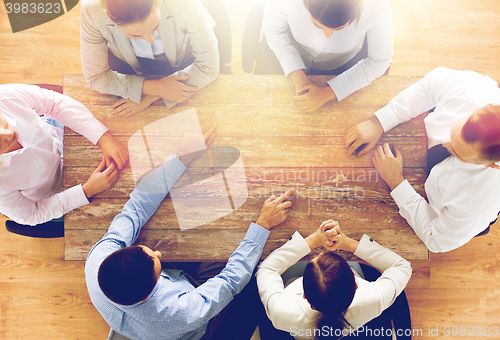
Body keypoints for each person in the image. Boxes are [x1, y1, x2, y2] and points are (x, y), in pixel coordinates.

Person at [85, 122, 296, 340]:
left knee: (213, 246)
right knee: (253, 280)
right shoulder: (179, 313)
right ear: (148, 297)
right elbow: (231, 281)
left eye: (146, 251)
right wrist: (263, 224)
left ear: (118, 251)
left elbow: (136, 206)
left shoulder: (98, 259)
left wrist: (180, 159)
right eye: (156, 263)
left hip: (175, 288)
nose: (158, 254)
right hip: (202, 328)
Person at [345, 67, 500, 253]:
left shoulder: (475, 204)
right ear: (486, 106)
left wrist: (396, 182)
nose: (445, 143)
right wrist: (380, 121)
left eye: (457, 153)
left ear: (490, 165)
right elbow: (430, 87)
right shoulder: (473, 88)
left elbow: (436, 240)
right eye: (452, 132)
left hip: (460, 216)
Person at [256, 220, 412, 340]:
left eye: (317, 257)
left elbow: (266, 269)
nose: (321, 252)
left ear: (304, 294)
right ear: (356, 284)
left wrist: (313, 241)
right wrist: (347, 243)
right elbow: (402, 267)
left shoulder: (280, 312)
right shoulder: (374, 298)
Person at [0, 84, 128, 226]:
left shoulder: (4, 96)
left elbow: (55, 104)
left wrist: (102, 135)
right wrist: (87, 190)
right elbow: (32, 214)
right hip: (57, 191)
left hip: (60, 136)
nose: (9, 134)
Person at [80, 0, 219, 116]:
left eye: (156, 26)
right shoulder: (92, 11)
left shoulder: (182, 3)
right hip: (131, 64)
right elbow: (95, 78)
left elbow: (208, 67)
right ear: (108, 16)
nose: (150, 40)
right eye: (135, 35)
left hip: (185, 57)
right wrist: (156, 87)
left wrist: (151, 96)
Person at [263, 0, 393, 112]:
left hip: (345, 66)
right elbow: (275, 31)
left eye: (339, 29)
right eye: (316, 25)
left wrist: (328, 92)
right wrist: (299, 79)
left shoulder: (376, 5)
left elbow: (380, 61)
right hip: (288, 54)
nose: (327, 35)